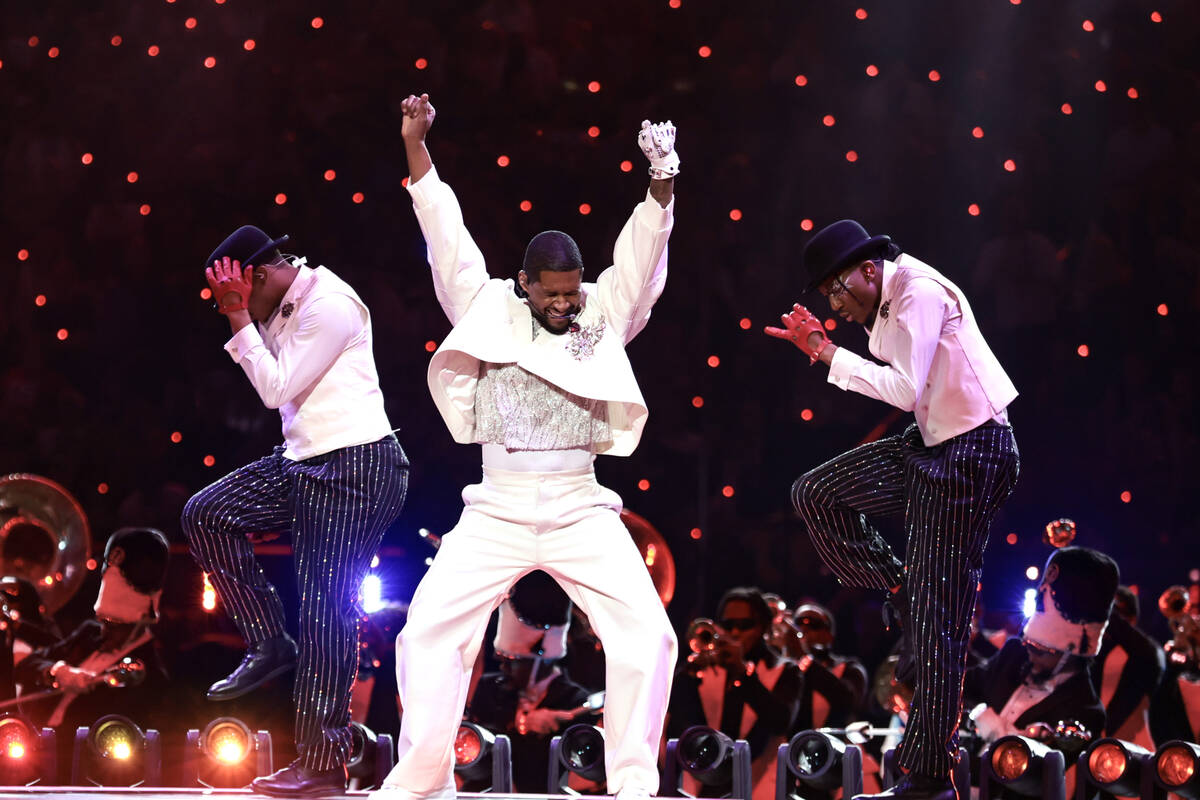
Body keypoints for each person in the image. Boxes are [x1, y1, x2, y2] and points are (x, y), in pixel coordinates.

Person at [373, 93, 678, 800]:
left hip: (580, 506)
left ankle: (634, 785)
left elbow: (640, 261)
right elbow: (445, 238)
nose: (566, 305)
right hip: (498, 507)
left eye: (573, 293)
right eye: (554, 295)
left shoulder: (600, 314)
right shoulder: (488, 310)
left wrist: (661, 182)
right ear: (525, 285)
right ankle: (420, 780)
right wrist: (417, 148)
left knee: (649, 638)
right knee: (426, 633)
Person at [769, 220, 1020, 800]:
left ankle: (931, 775)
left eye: (837, 289)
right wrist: (825, 349)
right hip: (935, 447)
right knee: (815, 492)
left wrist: (827, 352)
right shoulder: (887, 299)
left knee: (938, 623)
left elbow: (906, 390)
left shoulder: (917, 294)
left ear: (868, 268)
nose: (836, 303)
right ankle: (903, 588)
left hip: (973, 453)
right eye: (827, 295)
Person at [180, 225, 409, 797]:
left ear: (256, 276)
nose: (236, 312)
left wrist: (238, 318)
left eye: (237, 297)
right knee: (206, 514)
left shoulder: (328, 304)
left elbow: (275, 389)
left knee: (327, 608)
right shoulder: (280, 301)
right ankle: (268, 641)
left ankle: (324, 765)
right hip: (305, 461)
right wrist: (240, 311)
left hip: (357, 467)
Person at [15, 527, 171, 781]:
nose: (105, 631)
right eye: (104, 620)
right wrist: (56, 671)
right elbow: (26, 665)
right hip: (30, 754)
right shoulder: (89, 633)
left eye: (116, 624)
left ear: (142, 621)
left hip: (79, 773)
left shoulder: (152, 676)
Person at [964, 548, 1117, 793]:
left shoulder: (1086, 711)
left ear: (1071, 653)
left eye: (1041, 648)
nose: (1030, 651)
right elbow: (965, 687)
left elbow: (1032, 780)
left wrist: (999, 738)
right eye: (1029, 643)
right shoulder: (1014, 653)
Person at [465, 571, 598, 793]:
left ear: (541, 660)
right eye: (502, 659)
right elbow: (472, 755)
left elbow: (584, 775)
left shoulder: (574, 702)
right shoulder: (488, 690)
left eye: (512, 660)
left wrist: (564, 736)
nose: (503, 667)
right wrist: (519, 725)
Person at [667, 587, 802, 800]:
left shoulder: (785, 670)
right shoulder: (703, 668)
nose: (736, 633)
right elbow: (679, 720)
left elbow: (781, 720)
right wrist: (685, 676)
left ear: (763, 628)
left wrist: (743, 674)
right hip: (705, 788)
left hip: (763, 787)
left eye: (745, 625)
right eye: (729, 625)